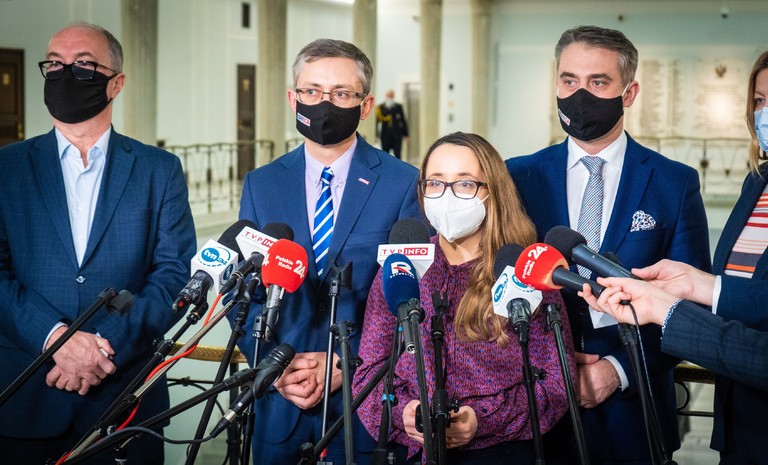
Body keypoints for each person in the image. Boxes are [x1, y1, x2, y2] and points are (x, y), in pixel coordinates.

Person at [505, 25, 711, 464]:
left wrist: (617, 371)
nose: (580, 95)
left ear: (629, 92)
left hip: (633, 415)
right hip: (535, 411)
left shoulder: (673, 183)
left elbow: (691, 311)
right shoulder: (518, 176)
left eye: (598, 82)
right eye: (569, 81)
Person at [0, 23, 196, 465]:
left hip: (124, 397)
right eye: (54, 64)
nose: (65, 75)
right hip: (25, 397)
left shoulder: (159, 169)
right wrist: (56, 339)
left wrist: (102, 346)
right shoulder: (6, 168)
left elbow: (173, 276)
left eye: (84, 65)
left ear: (116, 83)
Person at [234, 39, 421, 465]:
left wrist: (349, 361)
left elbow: (412, 296)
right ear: (293, 98)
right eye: (312, 91)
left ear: (366, 105)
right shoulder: (261, 184)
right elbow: (243, 293)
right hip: (279, 405)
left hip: (365, 406)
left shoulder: (403, 183)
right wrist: (274, 366)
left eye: (341, 93)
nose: (324, 103)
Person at [584, 49, 768, 464]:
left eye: (598, 81)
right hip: (740, 424)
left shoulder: (676, 181)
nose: (764, 113)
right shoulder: (757, 184)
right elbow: (737, 298)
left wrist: (672, 307)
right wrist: (698, 285)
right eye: (759, 100)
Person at [354, 132, 577, 465]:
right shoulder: (401, 267)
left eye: (464, 183)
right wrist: (404, 413)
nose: (447, 196)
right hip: (416, 454)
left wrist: (481, 420)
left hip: (503, 454)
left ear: (491, 191)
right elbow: (368, 374)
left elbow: (558, 384)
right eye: (435, 183)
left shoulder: (523, 269)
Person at [376, 89, 409, 159]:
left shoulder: (398, 107)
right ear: (385, 96)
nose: (390, 98)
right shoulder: (380, 107)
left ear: (394, 96)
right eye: (388, 96)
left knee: (398, 154)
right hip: (385, 135)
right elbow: (377, 122)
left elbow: (403, 121)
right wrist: (376, 135)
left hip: (397, 135)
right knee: (385, 155)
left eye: (391, 96)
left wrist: (406, 134)